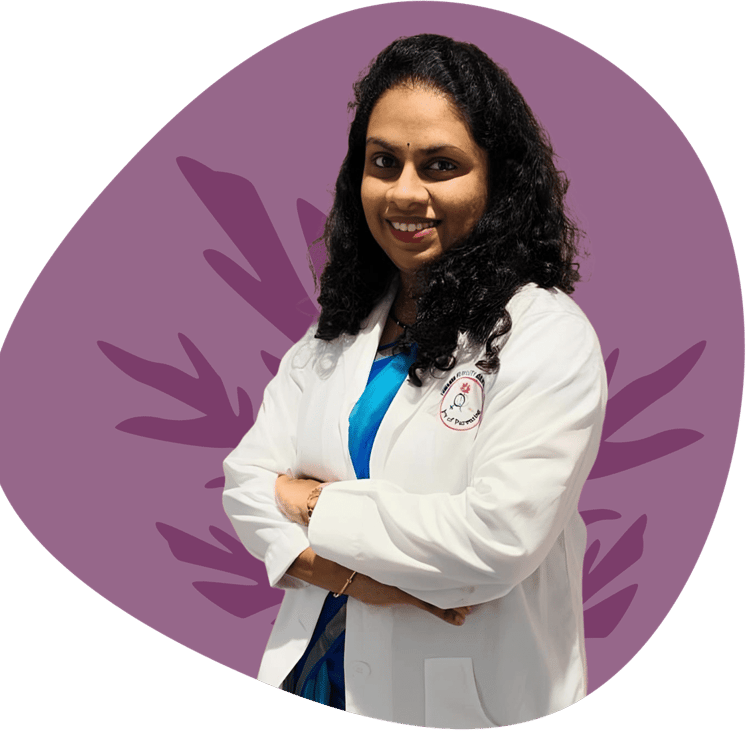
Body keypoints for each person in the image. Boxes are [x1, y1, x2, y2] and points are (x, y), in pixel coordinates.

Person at [222, 34, 606, 728]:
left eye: (440, 165)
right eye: (383, 162)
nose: (404, 192)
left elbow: (492, 542)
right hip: (311, 679)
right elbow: (246, 483)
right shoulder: (338, 331)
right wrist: (366, 581)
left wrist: (310, 503)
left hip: (466, 704)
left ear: (496, 181)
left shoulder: (548, 337)